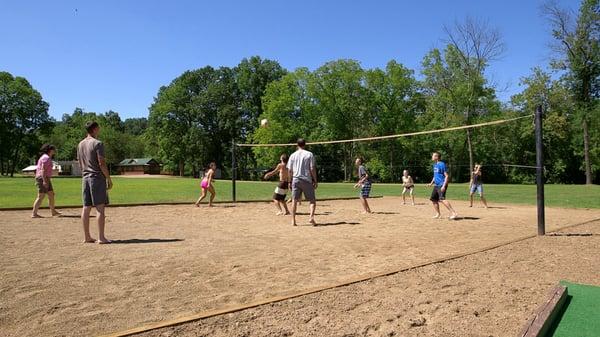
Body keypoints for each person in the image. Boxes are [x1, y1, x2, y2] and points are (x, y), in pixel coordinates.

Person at [77, 121, 113, 244]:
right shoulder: (98, 143)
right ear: (95, 129)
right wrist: (108, 178)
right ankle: (101, 237)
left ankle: (87, 236)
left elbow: (80, 163)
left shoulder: (80, 144)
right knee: (100, 208)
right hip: (97, 178)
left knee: (86, 207)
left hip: (85, 177)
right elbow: (101, 163)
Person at [287, 138, 318, 226]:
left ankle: (293, 221)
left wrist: (289, 182)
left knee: (294, 200)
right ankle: (311, 217)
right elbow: (312, 168)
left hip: (296, 179)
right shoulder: (309, 154)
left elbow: (289, 170)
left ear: (297, 145)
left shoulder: (293, 155)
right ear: (305, 144)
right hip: (306, 179)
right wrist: (315, 180)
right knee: (312, 200)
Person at [31, 144, 62, 218]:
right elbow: (43, 170)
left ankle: (53, 211)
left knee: (51, 194)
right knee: (41, 196)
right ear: (50, 150)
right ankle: (34, 213)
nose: (55, 151)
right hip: (43, 178)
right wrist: (45, 181)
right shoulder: (46, 158)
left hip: (45, 178)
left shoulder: (46, 157)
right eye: (54, 149)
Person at [427, 152, 458, 220]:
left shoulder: (442, 164)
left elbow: (446, 176)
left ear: (437, 157)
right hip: (436, 185)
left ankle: (454, 213)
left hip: (441, 184)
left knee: (442, 199)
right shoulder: (435, 165)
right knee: (433, 199)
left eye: (433, 155)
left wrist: (443, 186)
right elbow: (435, 176)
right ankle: (438, 214)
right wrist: (431, 183)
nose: (432, 156)